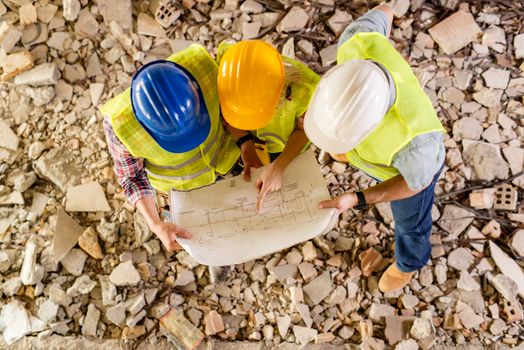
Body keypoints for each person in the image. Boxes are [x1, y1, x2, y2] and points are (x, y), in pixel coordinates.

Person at [304, 5, 446, 292]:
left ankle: (409, 263)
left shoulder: (417, 149)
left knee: (411, 223)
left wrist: (358, 198)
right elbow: (386, 10)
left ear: (372, 126)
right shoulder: (356, 41)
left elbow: (413, 185)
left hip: (408, 176)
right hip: (381, 153)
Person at [99, 44, 240, 252]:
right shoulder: (120, 126)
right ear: (142, 122)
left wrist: (246, 144)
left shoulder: (206, 64)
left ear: (195, 87)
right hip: (181, 193)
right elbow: (132, 177)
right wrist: (156, 224)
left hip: (230, 161)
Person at [216, 40, 319, 211]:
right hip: (250, 138)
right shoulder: (230, 63)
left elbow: (303, 131)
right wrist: (246, 144)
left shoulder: (307, 92)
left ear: (280, 98)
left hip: (285, 144)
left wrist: (278, 166)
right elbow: (226, 111)